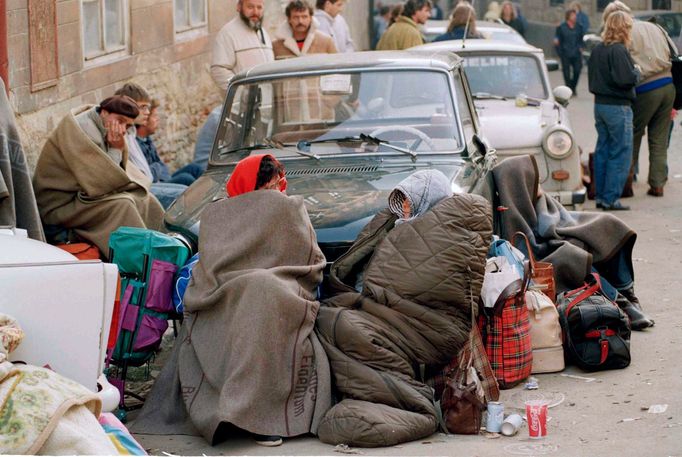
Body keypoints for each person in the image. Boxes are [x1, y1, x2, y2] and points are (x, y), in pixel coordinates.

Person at [130, 154, 330, 448]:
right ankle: (237, 411)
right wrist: (238, 280)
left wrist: (269, 277)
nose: (275, 194)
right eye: (267, 189)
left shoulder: (289, 208)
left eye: (278, 186)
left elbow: (308, 262)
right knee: (252, 295)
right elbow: (212, 266)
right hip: (222, 291)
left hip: (280, 286)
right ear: (248, 186)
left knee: (263, 293)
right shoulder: (217, 215)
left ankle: (262, 415)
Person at [492, 154, 654, 331]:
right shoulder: (514, 211)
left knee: (609, 225)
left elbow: (551, 222)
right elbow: (528, 243)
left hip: (557, 233)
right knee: (573, 256)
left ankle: (627, 293)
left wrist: (558, 230)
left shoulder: (536, 199)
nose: (538, 185)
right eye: (533, 179)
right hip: (540, 256)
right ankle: (622, 304)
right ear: (520, 185)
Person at [33, 95, 164, 254]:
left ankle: (163, 251)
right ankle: (140, 260)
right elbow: (102, 184)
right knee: (123, 205)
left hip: (84, 196)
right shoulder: (83, 131)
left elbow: (110, 178)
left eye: (127, 125)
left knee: (145, 198)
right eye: (120, 121)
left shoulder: (104, 126)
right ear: (104, 113)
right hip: (60, 205)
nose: (122, 129)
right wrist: (116, 149)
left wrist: (117, 147)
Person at [603, 1, 676, 198]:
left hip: (645, 88)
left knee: (632, 135)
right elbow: (674, 53)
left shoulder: (627, 33)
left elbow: (621, 64)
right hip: (668, 84)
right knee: (659, 139)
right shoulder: (655, 27)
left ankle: (626, 181)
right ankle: (658, 184)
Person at [588, 11, 639, 212]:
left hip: (600, 105)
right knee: (620, 152)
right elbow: (625, 79)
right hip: (618, 106)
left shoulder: (598, 48)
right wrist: (636, 72)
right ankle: (610, 199)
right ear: (623, 28)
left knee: (603, 150)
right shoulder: (619, 50)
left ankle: (601, 196)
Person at [116, 83, 192, 209]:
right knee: (182, 192)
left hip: (150, 183)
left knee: (187, 185)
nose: (147, 112)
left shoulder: (131, 132)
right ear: (127, 106)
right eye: (142, 107)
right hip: (137, 190)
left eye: (147, 108)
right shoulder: (121, 134)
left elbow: (152, 170)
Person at [136, 100, 204, 207]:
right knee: (185, 178)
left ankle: (211, 197)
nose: (157, 120)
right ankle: (200, 207)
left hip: (163, 179)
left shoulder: (147, 140)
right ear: (145, 121)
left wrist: (157, 168)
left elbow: (161, 166)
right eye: (154, 117)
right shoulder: (137, 144)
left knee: (195, 168)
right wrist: (157, 168)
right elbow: (148, 175)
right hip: (156, 185)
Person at [211, 0, 274, 92]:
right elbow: (218, 70)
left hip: (266, 101)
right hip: (243, 104)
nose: (255, 12)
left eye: (259, 7)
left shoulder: (264, 33)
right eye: (250, 7)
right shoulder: (227, 33)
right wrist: (242, 92)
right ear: (239, 7)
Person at [554, 9, 585, 96]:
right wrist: (560, 52)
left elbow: (581, 40)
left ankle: (573, 86)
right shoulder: (561, 27)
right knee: (566, 73)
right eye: (572, 15)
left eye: (575, 15)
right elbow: (557, 40)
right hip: (565, 53)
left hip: (576, 53)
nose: (574, 17)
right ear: (568, 16)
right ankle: (569, 89)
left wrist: (581, 47)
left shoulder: (579, 27)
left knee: (577, 70)